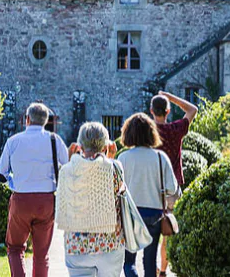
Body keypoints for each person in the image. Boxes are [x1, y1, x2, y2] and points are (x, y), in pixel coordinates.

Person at [0, 103, 70, 277]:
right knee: (41, 253)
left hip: (21, 200)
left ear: (27, 119)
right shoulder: (54, 140)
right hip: (46, 201)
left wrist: (12, 180)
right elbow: (67, 167)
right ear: (46, 121)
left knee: (15, 248)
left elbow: (1, 173)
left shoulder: (13, 141)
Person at [56, 122, 126, 277]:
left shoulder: (66, 170)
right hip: (109, 244)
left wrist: (70, 161)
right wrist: (110, 158)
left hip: (77, 245)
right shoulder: (115, 168)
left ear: (79, 145)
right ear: (106, 145)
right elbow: (119, 190)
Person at [118, 113, 179, 277]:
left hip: (130, 214)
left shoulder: (123, 158)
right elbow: (172, 189)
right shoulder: (160, 157)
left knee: (129, 262)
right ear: (152, 133)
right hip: (154, 214)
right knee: (150, 262)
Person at [150, 90, 197, 276]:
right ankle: (162, 271)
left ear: (151, 111)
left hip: (151, 190)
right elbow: (193, 109)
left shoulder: (147, 133)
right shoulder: (175, 130)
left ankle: (151, 268)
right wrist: (171, 98)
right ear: (168, 111)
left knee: (150, 233)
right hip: (173, 189)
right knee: (167, 233)